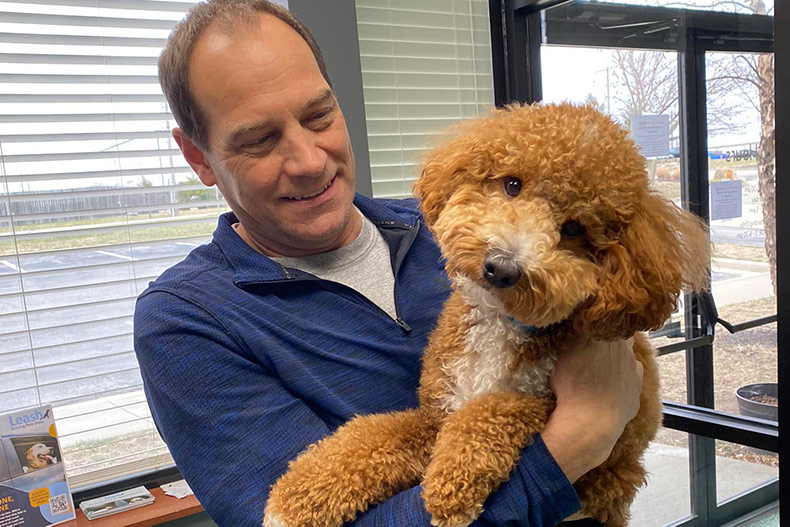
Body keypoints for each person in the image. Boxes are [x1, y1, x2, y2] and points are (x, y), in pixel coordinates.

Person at [133, 1, 644, 526]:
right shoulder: (187, 323)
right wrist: (582, 435)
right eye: (260, 139)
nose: (310, 161)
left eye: (319, 115)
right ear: (198, 158)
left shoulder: (439, 225)